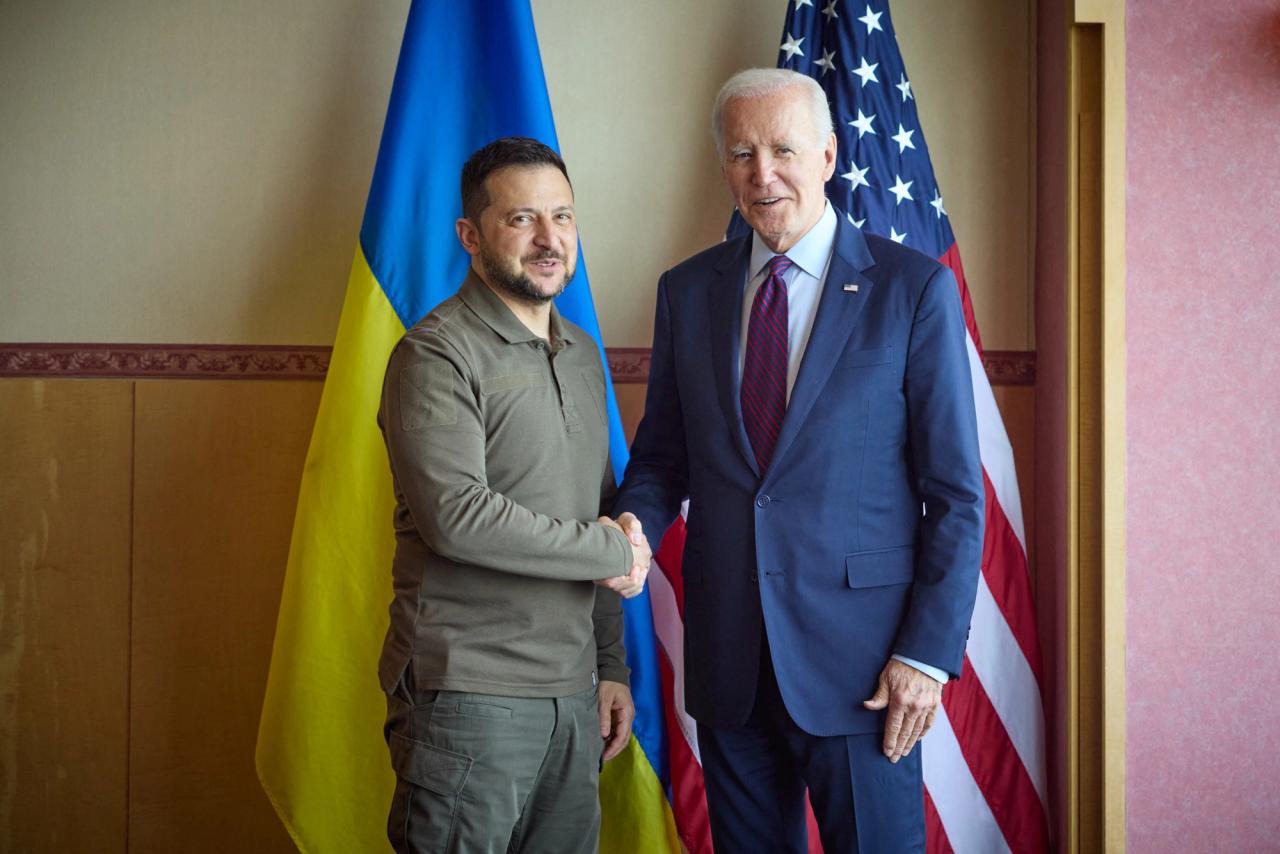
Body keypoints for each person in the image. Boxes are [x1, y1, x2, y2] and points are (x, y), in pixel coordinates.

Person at [613, 69, 984, 852]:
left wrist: (927, 651)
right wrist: (631, 524)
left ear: (826, 153)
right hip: (730, 659)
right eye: (742, 153)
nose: (763, 173)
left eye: (783, 149)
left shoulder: (911, 290)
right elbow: (662, 458)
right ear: (725, 168)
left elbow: (954, 492)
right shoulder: (687, 292)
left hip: (867, 670)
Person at [376, 136, 651, 854]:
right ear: (470, 235)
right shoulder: (434, 354)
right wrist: (611, 547)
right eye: (521, 219)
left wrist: (610, 668)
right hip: (469, 696)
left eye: (561, 217)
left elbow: (593, 514)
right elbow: (457, 518)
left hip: (573, 696)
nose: (548, 239)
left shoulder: (583, 353)